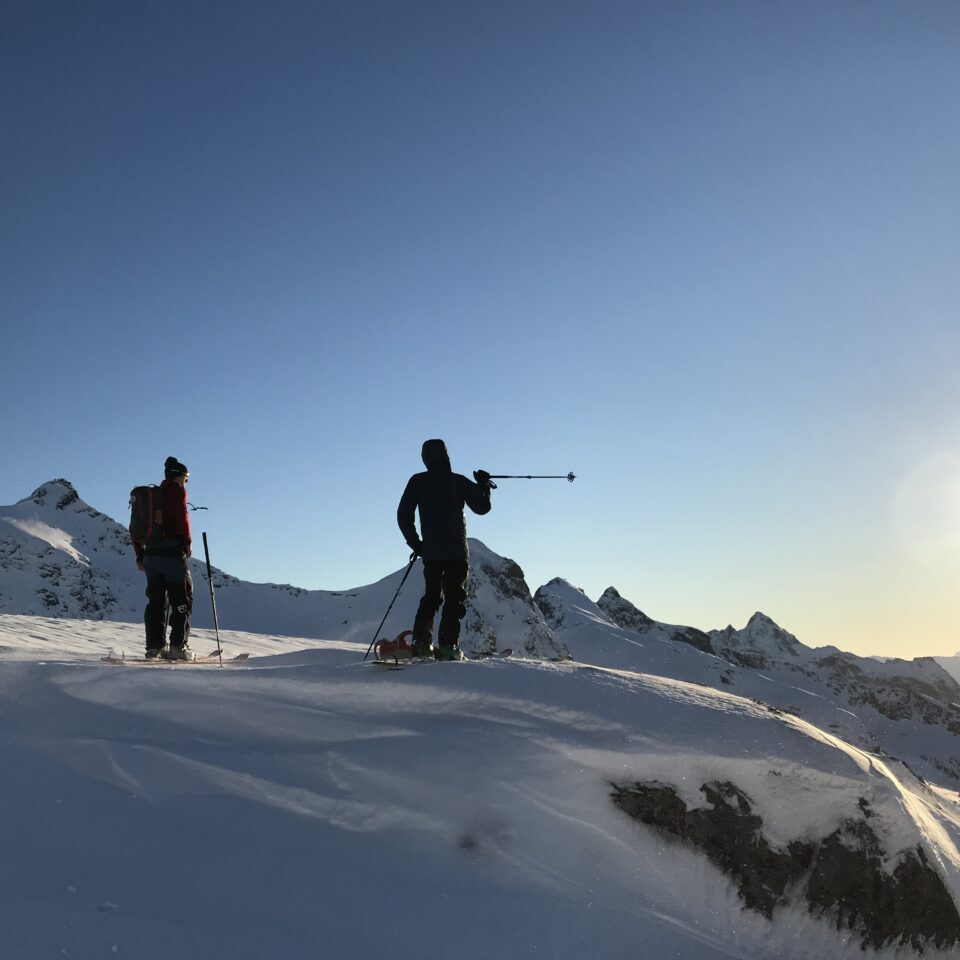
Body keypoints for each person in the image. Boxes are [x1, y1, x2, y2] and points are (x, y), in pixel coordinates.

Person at [397, 439, 493, 660]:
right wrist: (483, 485)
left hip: (431, 553)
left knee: (431, 597)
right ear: (446, 456)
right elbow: (482, 507)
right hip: (457, 552)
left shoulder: (417, 482)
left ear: (425, 458)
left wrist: (416, 544)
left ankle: (422, 645)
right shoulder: (457, 481)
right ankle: (448, 647)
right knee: (454, 598)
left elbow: (403, 515)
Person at [133, 456, 193, 660]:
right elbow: (182, 517)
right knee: (182, 599)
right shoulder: (176, 491)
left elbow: (134, 529)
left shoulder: (150, 498)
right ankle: (178, 647)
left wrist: (140, 556)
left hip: (150, 556)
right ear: (178, 477)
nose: (186, 482)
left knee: (156, 602)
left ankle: (154, 647)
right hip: (171, 554)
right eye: (186, 478)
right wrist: (187, 541)